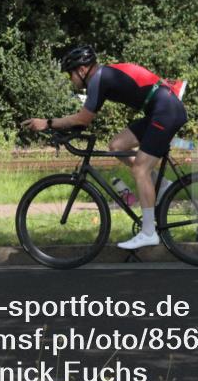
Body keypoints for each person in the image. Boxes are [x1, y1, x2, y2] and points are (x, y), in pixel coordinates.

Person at [20, 44, 187, 250]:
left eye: (70, 74)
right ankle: (161, 187)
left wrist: (47, 123)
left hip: (166, 111)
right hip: (161, 108)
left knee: (140, 169)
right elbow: (83, 122)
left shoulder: (98, 79)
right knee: (117, 145)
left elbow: (83, 119)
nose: (70, 80)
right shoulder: (103, 76)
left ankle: (148, 233)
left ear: (82, 70)